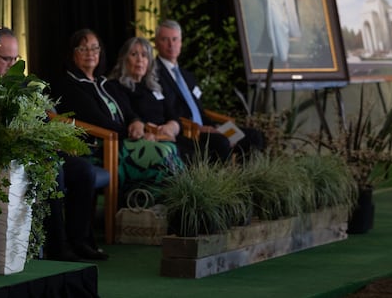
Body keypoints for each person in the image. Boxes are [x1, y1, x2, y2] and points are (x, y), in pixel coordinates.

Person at [0, 26, 101, 262]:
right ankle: (57, 246)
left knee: (83, 170)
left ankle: (79, 241)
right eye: (6, 59)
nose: (12, 65)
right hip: (9, 153)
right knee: (54, 169)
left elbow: (47, 115)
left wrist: (56, 137)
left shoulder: (24, 85)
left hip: (39, 148)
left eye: (15, 59)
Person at [54, 30, 182, 206]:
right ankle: (151, 210)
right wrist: (133, 134)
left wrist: (136, 122)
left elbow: (128, 112)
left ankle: (159, 211)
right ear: (72, 53)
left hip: (121, 141)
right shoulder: (70, 85)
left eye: (94, 48)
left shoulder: (103, 83)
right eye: (83, 49)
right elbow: (97, 121)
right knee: (163, 152)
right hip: (101, 148)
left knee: (169, 148)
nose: (90, 53)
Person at [154, 19, 264, 162]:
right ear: (156, 43)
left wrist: (216, 126)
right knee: (221, 142)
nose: (171, 44)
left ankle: (246, 180)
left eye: (175, 39)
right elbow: (168, 112)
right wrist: (202, 128)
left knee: (254, 136)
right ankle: (222, 183)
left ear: (181, 42)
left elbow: (200, 110)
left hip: (208, 126)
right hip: (188, 131)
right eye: (165, 39)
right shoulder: (153, 75)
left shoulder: (187, 76)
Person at [105, 36, 184, 190]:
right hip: (144, 139)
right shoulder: (116, 86)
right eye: (134, 55)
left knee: (200, 149)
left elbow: (174, 115)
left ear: (149, 61)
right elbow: (129, 116)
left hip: (167, 136)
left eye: (144, 55)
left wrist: (172, 126)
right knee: (174, 153)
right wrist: (148, 131)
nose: (140, 60)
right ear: (123, 59)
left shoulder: (155, 86)